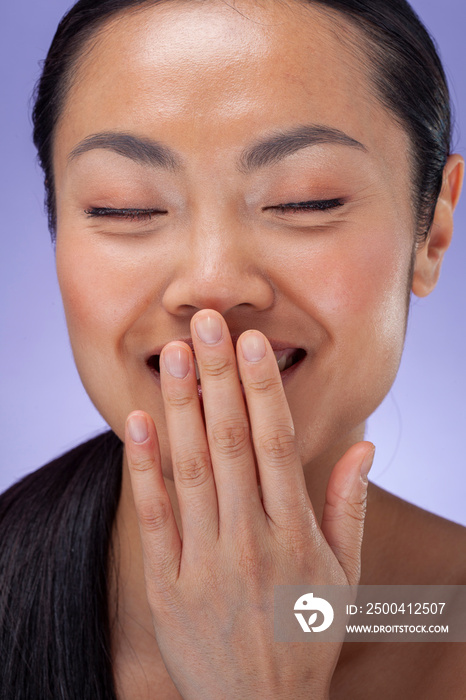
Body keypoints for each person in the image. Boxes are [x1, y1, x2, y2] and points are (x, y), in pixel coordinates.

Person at [1, 0, 465, 697]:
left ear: (430, 232)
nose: (212, 282)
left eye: (305, 201)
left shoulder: (442, 617)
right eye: (124, 207)